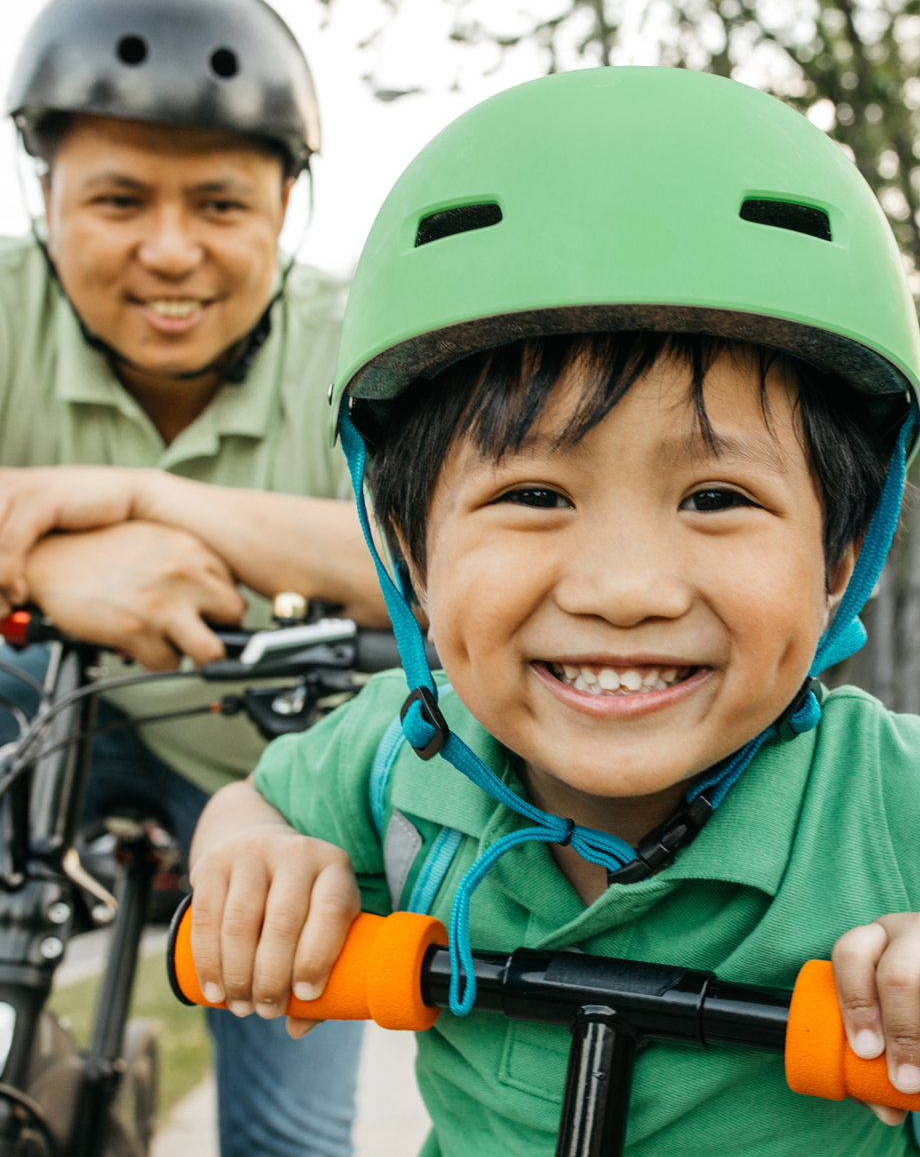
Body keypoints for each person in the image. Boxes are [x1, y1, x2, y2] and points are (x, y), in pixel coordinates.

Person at [187, 67, 920, 1155]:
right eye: (533, 496)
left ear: (839, 562)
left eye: (714, 498)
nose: (622, 591)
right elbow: (254, 804)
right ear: (408, 557)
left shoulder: (885, 802)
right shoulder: (399, 759)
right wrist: (249, 855)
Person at [0, 0, 384, 1153]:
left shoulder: (360, 340)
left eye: (218, 204)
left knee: (289, 1141)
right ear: (48, 197)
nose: (170, 253)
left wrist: (151, 501)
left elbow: (437, 564)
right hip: (46, 711)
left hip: (274, 772)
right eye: (118, 198)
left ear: (285, 207)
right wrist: (57, 576)